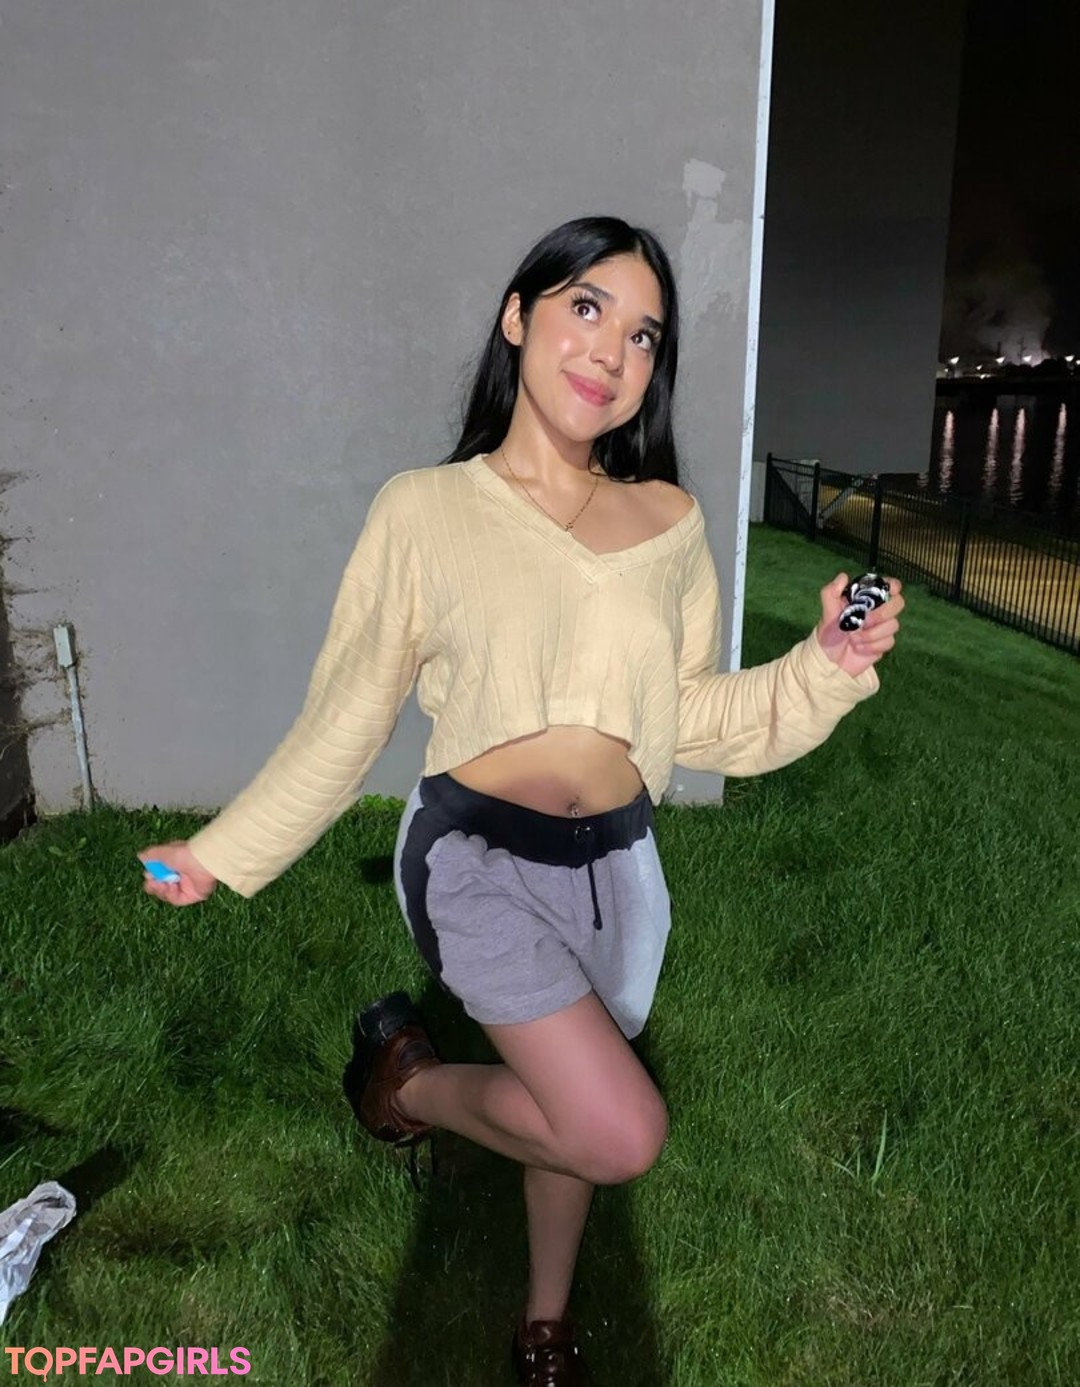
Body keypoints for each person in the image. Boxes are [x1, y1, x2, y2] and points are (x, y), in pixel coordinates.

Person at [140, 215, 904, 1385]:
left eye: (643, 334)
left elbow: (690, 719)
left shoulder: (670, 522)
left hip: (619, 871)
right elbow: (350, 713)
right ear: (518, 316)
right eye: (587, 307)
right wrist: (223, 852)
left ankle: (543, 1317)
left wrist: (825, 668)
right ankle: (412, 1087)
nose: (614, 351)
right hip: (475, 859)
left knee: (569, 1102)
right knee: (618, 1127)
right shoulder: (425, 510)